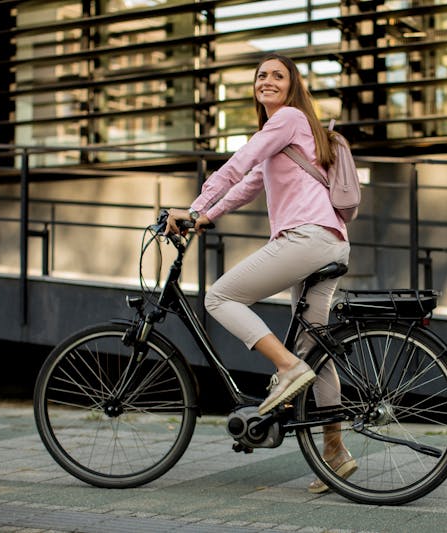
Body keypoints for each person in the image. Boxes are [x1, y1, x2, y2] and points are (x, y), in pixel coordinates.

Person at [165, 53, 355, 494]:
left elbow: (237, 163)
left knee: (220, 298)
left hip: (306, 238)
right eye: (261, 76)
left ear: (292, 87)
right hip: (330, 240)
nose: (267, 81)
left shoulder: (287, 119)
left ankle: (285, 369)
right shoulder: (286, 136)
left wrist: (192, 208)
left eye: (277, 76)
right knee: (315, 349)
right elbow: (248, 182)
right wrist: (208, 215)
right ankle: (335, 454)